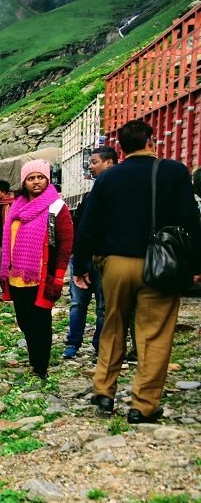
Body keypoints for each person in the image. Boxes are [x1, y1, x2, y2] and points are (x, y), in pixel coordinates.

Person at [73, 119, 201, 423]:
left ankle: (104, 391)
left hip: (116, 264)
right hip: (161, 264)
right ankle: (143, 404)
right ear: (151, 141)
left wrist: (80, 265)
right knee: (153, 333)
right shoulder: (173, 172)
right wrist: (197, 265)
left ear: (121, 147)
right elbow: (191, 220)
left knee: (113, 325)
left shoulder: (107, 178)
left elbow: (89, 226)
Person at [0, 159, 73, 381]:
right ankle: (34, 359)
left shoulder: (56, 206)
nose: (36, 182)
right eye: (31, 178)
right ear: (24, 182)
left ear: (47, 179)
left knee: (40, 322)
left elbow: (66, 242)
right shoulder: (16, 207)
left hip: (41, 277)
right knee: (24, 321)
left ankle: (40, 367)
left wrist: (58, 275)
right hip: (17, 277)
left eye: (40, 177)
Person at [63, 146, 117, 359]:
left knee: (103, 306)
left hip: (105, 259)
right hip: (84, 258)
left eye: (94, 162)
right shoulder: (89, 196)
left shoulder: (117, 195)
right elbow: (80, 228)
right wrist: (77, 257)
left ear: (109, 162)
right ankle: (73, 343)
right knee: (78, 304)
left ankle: (99, 345)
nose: (90, 167)